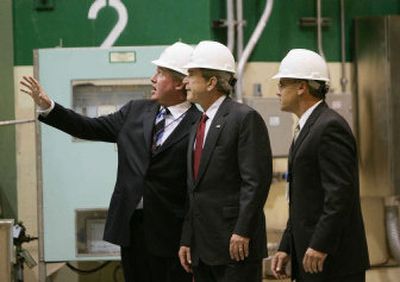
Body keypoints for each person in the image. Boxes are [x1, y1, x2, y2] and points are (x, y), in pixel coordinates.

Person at [20, 42, 201, 282]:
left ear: (179, 83)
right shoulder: (135, 111)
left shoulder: (200, 124)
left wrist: (189, 236)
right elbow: (89, 127)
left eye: (160, 73)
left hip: (172, 232)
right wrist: (49, 107)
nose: (152, 79)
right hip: (132, 227)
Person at [270, 49, 370, 282]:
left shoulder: (329, 127)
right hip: (311, 257)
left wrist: (320, 245)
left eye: (283, 83)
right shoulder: (308, 128)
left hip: (332, 262)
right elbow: (302, 199)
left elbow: (339, 195)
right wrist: (287, 246)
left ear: (302, 87)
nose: (278, 91)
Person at [178, 40, 272, 282]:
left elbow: (256, 182)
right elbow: (195, 189)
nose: (185, 81)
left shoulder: (244, 118)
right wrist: (188, 238)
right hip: (202, 248)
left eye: (191, 75)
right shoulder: (199, 123)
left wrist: (242, 230)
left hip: (235, 246)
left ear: (211, 82)